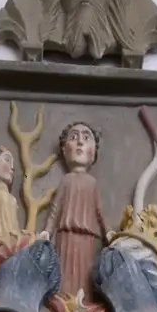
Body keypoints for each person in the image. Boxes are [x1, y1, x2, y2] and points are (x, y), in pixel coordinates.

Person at [43, 122, 107, 297]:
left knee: (86, 273)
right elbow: (55, 210)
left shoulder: (92, 183)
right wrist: (47, 232)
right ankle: (64, 306)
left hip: (90, 237)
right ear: (64, 150)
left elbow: (99, 211)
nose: (80, 142)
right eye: (74, 137)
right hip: (66, 235)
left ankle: (84, 307)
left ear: (94, 151)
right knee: (65, 273)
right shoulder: (66, 181)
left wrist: (108, 232)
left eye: (86, 138)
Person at [0, 146, 22, 241]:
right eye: (7, 160)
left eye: (12, 163)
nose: (12, 167)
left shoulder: (5, 195)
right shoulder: (0, 194)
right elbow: (7, 235)